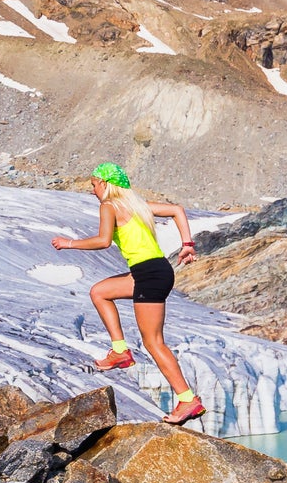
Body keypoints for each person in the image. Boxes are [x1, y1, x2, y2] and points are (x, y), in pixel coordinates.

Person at [50, 161, 206, 426]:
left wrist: (69, 243)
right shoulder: (136, 206)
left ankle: (187, 399)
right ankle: (120, 351)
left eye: (94, 185)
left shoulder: (109, 206)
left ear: (105, 184)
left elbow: (103, 240)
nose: (92, 191)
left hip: (148, 274)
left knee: (154, 342)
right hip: (152, 271)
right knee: (100, 292)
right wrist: (187, 244)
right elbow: (177, 210)